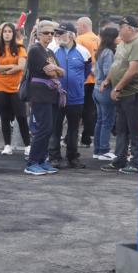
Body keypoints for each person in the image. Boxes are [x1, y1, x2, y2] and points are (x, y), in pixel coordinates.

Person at [100, 16, 138, 174]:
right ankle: (119, 159)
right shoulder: (122, 44)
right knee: (121, 129)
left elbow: (134, 69)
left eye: (122, 26)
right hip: (121, 93)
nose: (119, 29)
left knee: (134, 129)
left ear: (131, 28)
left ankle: (136, 162)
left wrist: (118, 88)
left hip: (133, 93)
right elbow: (116, 65)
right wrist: (107, 80)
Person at [49, 22, 91, 169]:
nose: (57, 35)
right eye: (57, 33)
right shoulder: (51, 50)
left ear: (72, 35)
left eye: (61, 33)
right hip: (56, 96)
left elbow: (86, 71)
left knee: (73, 129)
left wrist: (77, 84)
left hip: (76, 97)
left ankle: (73, 158)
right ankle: (54, 157)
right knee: (55, 128)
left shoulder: (84, 52)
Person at [24, 20, 64, 176]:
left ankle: (41, 160)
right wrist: (55, 70)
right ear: (39, 34)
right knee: (42, 129)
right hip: (40, 94)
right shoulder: (35, 50)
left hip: (51, 94)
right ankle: (32, 162)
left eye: (52, 33)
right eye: (46, 33)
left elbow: (61, 72)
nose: (50, 36)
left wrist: (56, 69)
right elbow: (51, 73)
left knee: (48, 129)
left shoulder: (50, 52)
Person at [0, 23, 30, 156]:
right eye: (5, 31)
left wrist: (5, 68)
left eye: (9, 31)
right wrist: (11, 66)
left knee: (21, 116)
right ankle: (7, 145)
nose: (7, 33)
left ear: (13, 34)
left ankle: (27, 145)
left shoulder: (20, 48)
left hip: (16, 87)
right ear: (1, 34)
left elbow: (21, 67)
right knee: (5, 117)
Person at [92, 26, 118, 161]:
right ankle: (104, 150)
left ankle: (97, 150)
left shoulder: (101, 50)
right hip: (105, 90)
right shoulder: (108, 52)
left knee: (100, 120)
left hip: (96, 89)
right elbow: (109, 72)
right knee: (107, 121)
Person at [76, 17, 99, 147]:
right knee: (91, 109)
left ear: (84, 26)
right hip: (95, 80)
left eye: (78, 26)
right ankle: (87, 137)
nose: (77, 28)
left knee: (79, 109)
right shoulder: (98, 39)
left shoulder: (80, 40)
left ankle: (74, 137)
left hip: (83, 79)